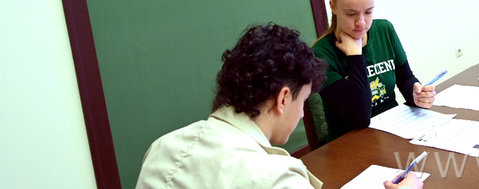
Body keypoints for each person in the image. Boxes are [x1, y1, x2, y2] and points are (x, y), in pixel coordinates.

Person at [135, 23, 422, 189]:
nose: (302, 113)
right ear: (283, 99)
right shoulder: (275, 178)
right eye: (303, 102)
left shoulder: (161, 148)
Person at [313, 0, 436, 143]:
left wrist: (417, 95)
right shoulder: (320, 54)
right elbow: (360, 118)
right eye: (351, 14)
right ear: (333, 7)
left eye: (368, 12)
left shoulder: (385, 30)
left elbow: (405, 78)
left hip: (395, 129)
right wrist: (355, 56)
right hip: (349, 143)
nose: (361, 22)